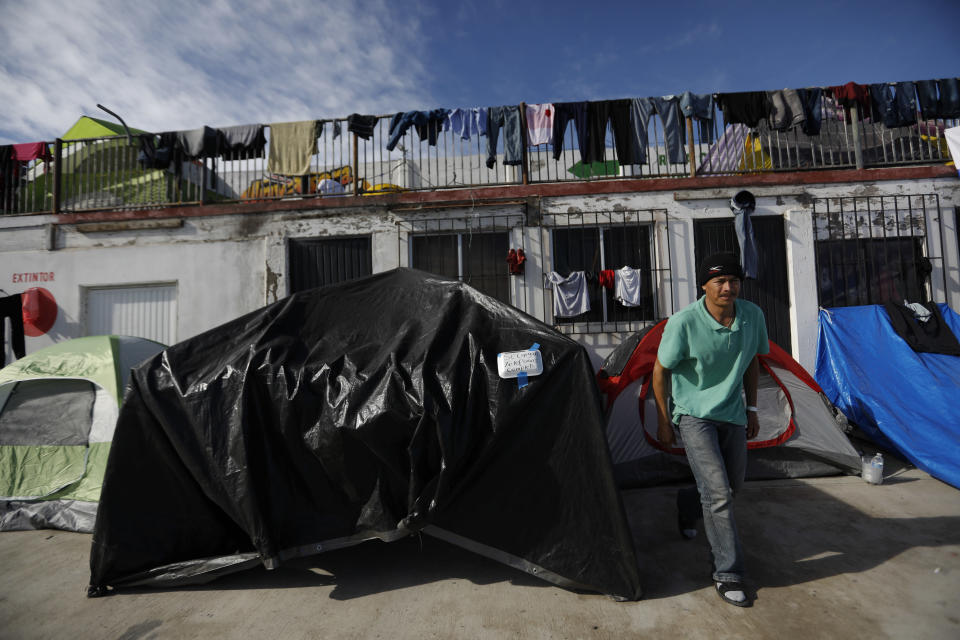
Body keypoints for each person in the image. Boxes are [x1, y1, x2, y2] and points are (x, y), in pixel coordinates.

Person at [652, 252, 769, 607]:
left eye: (733, 281)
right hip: (693, 414)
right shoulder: (684, 322)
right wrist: (663, 420)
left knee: (730, 487)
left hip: (732, 411)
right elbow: (660, 372)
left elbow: (751, 363)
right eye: (719, 281)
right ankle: (727, 573)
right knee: (718, 493)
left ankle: (687, 503)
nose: (727, 287)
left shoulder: (752, 316)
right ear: (704, 285)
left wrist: (751, 408)